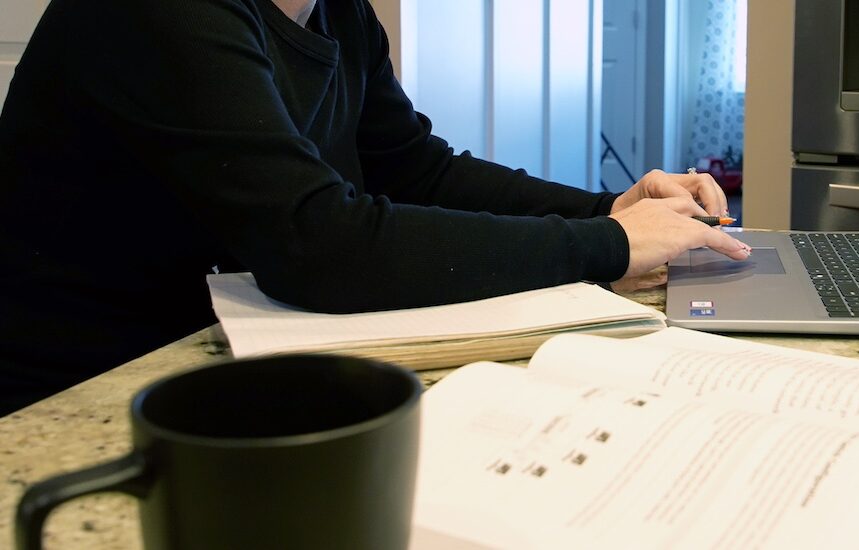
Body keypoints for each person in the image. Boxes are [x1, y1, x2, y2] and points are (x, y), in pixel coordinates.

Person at [0, 0, 751, 414]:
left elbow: (417, 170)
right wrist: (608, 245)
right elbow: (318, 245)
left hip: (205, 370)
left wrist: (610, 208)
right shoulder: (161, 13)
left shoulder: (341, 15)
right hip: (79, 398)